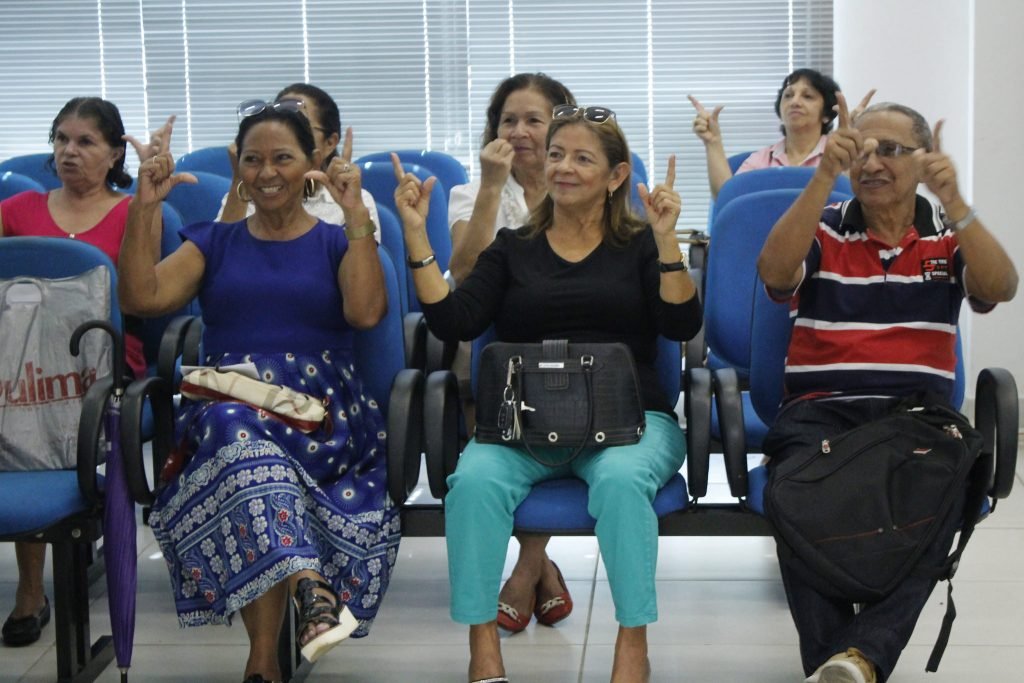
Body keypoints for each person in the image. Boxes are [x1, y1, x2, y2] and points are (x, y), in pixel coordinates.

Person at [394, 104, 702, 683]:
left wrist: (666, 241)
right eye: (557, 154)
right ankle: (481, 641)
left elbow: (682, 325)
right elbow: (453, 319)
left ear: (615, 176)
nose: (563, 167)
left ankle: (632, 639)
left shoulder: (639, 246)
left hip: (631, 419)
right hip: (523, 422)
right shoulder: (513, 247)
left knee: (618, 480)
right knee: (474, 483)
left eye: (583, 158)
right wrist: (416, 235)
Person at [118, 99, 398, 683]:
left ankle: (263, 661)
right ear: (237, 167)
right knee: (238, 441)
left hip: (319, 416)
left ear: (312, 163)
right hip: (231, 406)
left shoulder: (335, 241)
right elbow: (141, 298)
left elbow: (368, 312)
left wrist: (355, 215)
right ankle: (307, 591)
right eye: (252, 160)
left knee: (233, 443)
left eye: (282, 158)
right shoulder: (213, 243)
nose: (267, 172)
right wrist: (146, 207)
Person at [757, 96, 1017, 683]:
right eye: (861, 151)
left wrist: (955, 200)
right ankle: (850, 662)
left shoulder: (946, 239)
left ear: (924, 160)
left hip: (915, 420)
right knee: (793, 495)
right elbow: (774, 273)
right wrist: (823, 175)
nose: (873, 163)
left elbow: (1001, 286)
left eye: (893, 151)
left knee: (949, 491)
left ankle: (857, 658)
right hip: (820, 416)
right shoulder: (822, 228)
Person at [0, 96, 168, 648]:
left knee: (38, 423)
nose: (69, 152)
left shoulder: (134, 212)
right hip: (25, 372)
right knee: (20, 419)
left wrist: (147, 202)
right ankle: (32, 588)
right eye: (61, 140)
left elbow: (147, 296)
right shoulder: (17, 210)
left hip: (108, 369)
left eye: (86, 142)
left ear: (116, 152)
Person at [446, 72, 579, 635]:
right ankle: (541, 564)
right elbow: (466, 273)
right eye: (508, 120)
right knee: (503, 415)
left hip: (573, 353)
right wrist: (491, 189)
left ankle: (525, 570)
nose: (520, 131)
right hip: (491, 348)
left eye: (534, 119)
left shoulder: (586, 184)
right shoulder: (472, 191)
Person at [218, 83, 380, 240]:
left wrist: (351, 210)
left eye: (302, 127)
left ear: (330, 143)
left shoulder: (355, 201)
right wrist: (240, 178)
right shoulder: (249, 192)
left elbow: (363, 264)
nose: (285, 135)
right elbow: (218, 258)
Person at [690, 69, 864, 198]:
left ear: (827, 114)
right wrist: (713, 142)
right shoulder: (762, 159)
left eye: (808, 96)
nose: (795, 102)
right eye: (788, 95)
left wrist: (853, 144)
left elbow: (853, 199)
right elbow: (728, 199)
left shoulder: (839, 152)